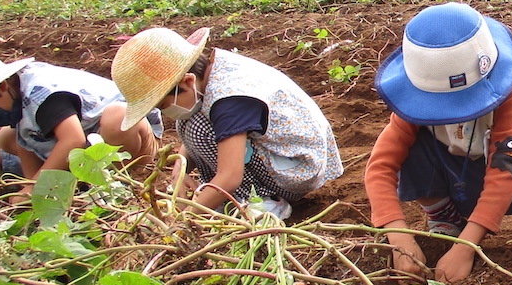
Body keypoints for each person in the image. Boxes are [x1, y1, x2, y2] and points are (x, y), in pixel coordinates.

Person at [364, 2, 512, 284]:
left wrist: (467, 246)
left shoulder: (510, 95)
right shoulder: (413, 105)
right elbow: (380, 167)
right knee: (409, 144)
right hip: (453, 183)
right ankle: (445, 220)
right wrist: (399, 238)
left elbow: (506, 169)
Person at [112, 27, 342, 219]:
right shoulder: (211, 74)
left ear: (188, 81)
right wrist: (179, 171)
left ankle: (261, 202)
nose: (167, 113)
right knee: (191, 124)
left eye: (163, 105)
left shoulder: (228, 100)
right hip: (284, 154)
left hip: (297, 168)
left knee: (198, 129)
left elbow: (230, 176)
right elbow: (191, 145)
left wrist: (184, 220)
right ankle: (234, 197)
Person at [0, 52, 160, 189]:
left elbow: (73, 140)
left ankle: (117, 180)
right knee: (7, 135)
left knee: (117, 118)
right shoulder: (15, 98)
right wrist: (30, 187)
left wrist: (36, 187)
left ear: (1, 87)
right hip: (85, 152)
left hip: (132, 139)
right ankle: (82, 182)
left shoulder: (41, 95)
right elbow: (26, 142)